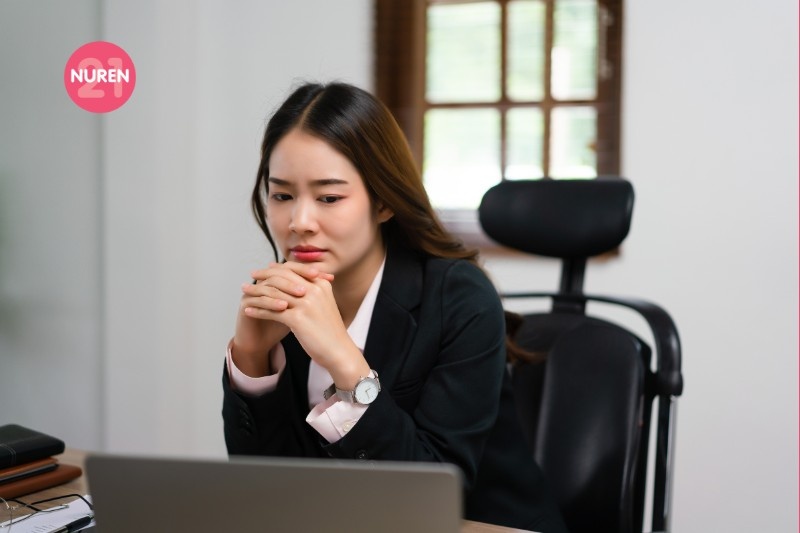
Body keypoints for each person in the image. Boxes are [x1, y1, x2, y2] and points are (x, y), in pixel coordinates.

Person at [221, 81, 568, 532]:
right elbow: (266, 491)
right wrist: (250, 361)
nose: (299, 222)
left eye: (329, 197)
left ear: (383, 201)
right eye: (282, 195)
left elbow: (433, 499)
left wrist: (342, 358)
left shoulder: (460, 297)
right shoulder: (289, 295)